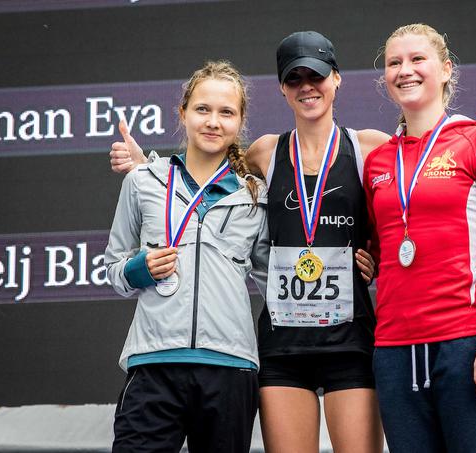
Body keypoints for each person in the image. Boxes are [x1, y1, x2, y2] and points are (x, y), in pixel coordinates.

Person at [109, 31, 476, 453]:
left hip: (349, 340)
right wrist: (148, 167)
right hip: (283, 344)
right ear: (283, 88)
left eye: (316, 76)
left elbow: (423, 158)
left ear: (336, 79)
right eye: (294, 78)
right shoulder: (264, 153)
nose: (307, 87)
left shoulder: (370, 147)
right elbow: (208, 170)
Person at [363, 24, 476, 453]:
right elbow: (383, 248)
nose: (405, 70)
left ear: (446, 69)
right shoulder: (378, 160)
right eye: (395, 63)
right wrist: (369, 260)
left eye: (418, 60)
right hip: (393, 350)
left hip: (463, 344)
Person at [104, 60, 268, 453]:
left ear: (241, 120)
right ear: (183, 113)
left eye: (226, 112)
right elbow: (114, 267)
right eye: (203, 109)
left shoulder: (255, 195)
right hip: (154, 364)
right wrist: (138, 269)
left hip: (231, 366)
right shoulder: (143, 181)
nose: (213, 121)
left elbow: (275, 279)